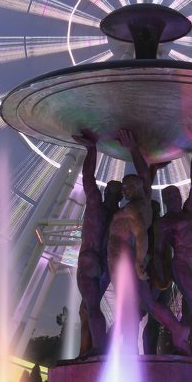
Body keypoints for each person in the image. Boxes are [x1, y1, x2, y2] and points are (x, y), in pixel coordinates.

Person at [110, 128, 188, 353]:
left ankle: (170, 334)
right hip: (143, 266)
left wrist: (134, 149)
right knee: (143, 311)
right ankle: (143, 350)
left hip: (139, 267)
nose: (124, 190)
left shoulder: (139, 210)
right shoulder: (145, 209)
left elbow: (143, 236)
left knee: (139, 311)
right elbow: (145, 181)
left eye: (127, 186)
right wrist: (149, 165)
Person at [154, 147, 192, 354]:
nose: (173, 197)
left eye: (175, 194)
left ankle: (185, 346)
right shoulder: (164, 223)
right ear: (165, 201)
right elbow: (159, 251)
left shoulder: (190, 211)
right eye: (168, 196)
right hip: (181, 263)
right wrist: (161, 275)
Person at [73, 130, 121, 356]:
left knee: (90, 308)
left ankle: (98, 350)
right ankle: (91, 348)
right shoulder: (122, 216)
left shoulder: (95, 206)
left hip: (89, 259)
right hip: (105, 266)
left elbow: (88, 177)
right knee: (87, 309)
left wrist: (91, 149)